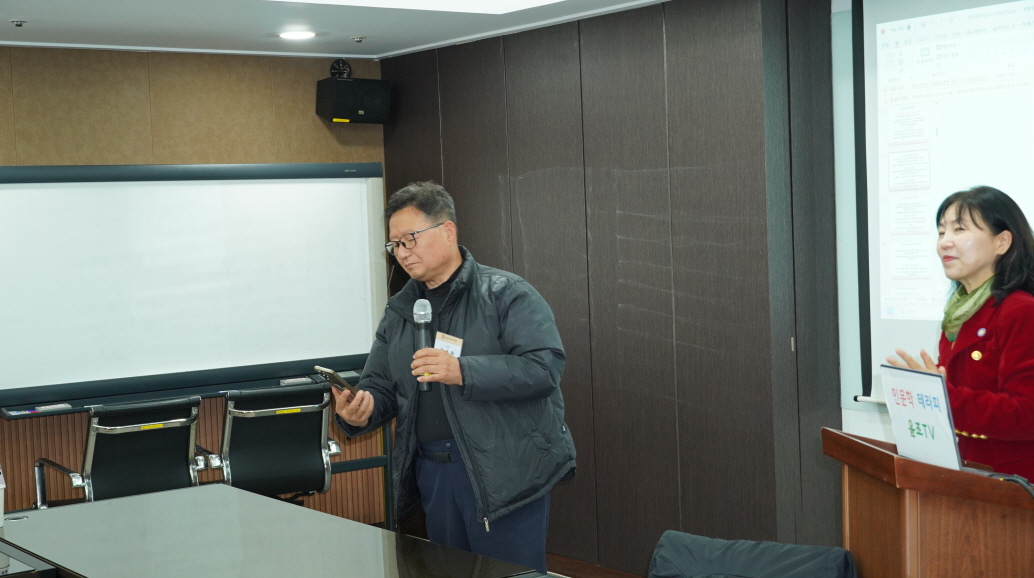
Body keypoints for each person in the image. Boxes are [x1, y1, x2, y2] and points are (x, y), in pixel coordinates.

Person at [334, 181, 575, 573]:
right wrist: (361, 410)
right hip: (435, 472)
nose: (402, 253)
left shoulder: (506, 294)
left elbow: (543, 369)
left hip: (502, 470)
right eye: (395, 245)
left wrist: (462, 370)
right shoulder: (401, 311)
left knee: (507, 574)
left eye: (410, 239)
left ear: (447, 231)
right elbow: (381, 383)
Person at [888, 185, 1034, 479]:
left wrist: (942, 397)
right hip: (967, 474)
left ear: (1002, 242)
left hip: (1014, 483)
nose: (945, 242)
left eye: (959, 229)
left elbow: (1026, 413)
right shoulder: (960, 313)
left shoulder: (1022, 311)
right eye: (941, 232)